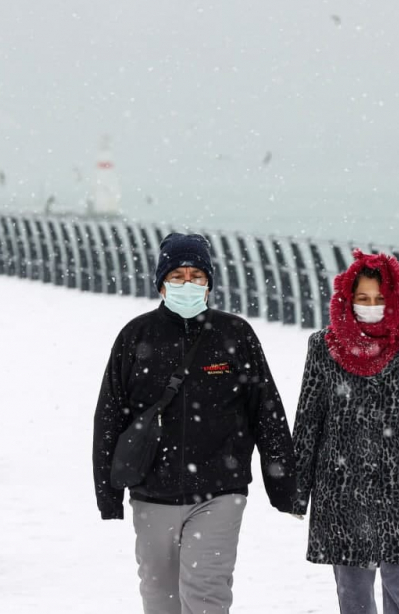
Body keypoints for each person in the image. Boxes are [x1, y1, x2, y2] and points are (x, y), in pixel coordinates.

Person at [93, 232, 297, 614]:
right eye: (178, 275)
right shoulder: (136, 336)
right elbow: (109, 416)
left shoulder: (235, 334)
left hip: (220, 491)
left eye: (197, 276)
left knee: (206, 596)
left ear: (210, 282)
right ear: (161, 283)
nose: (187, 284)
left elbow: (266, 411)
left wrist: (285, 486)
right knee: (160, 599)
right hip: (152, 492)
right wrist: (108, 493)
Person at [292, 250, 399, 614]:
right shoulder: (324, 347)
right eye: (363, 299)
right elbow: (309, 421)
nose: (371, 307)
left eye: (380, 299)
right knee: (352, 596)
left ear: (395, 299)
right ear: (347, 299)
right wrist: (297, 493)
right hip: (343, 488)